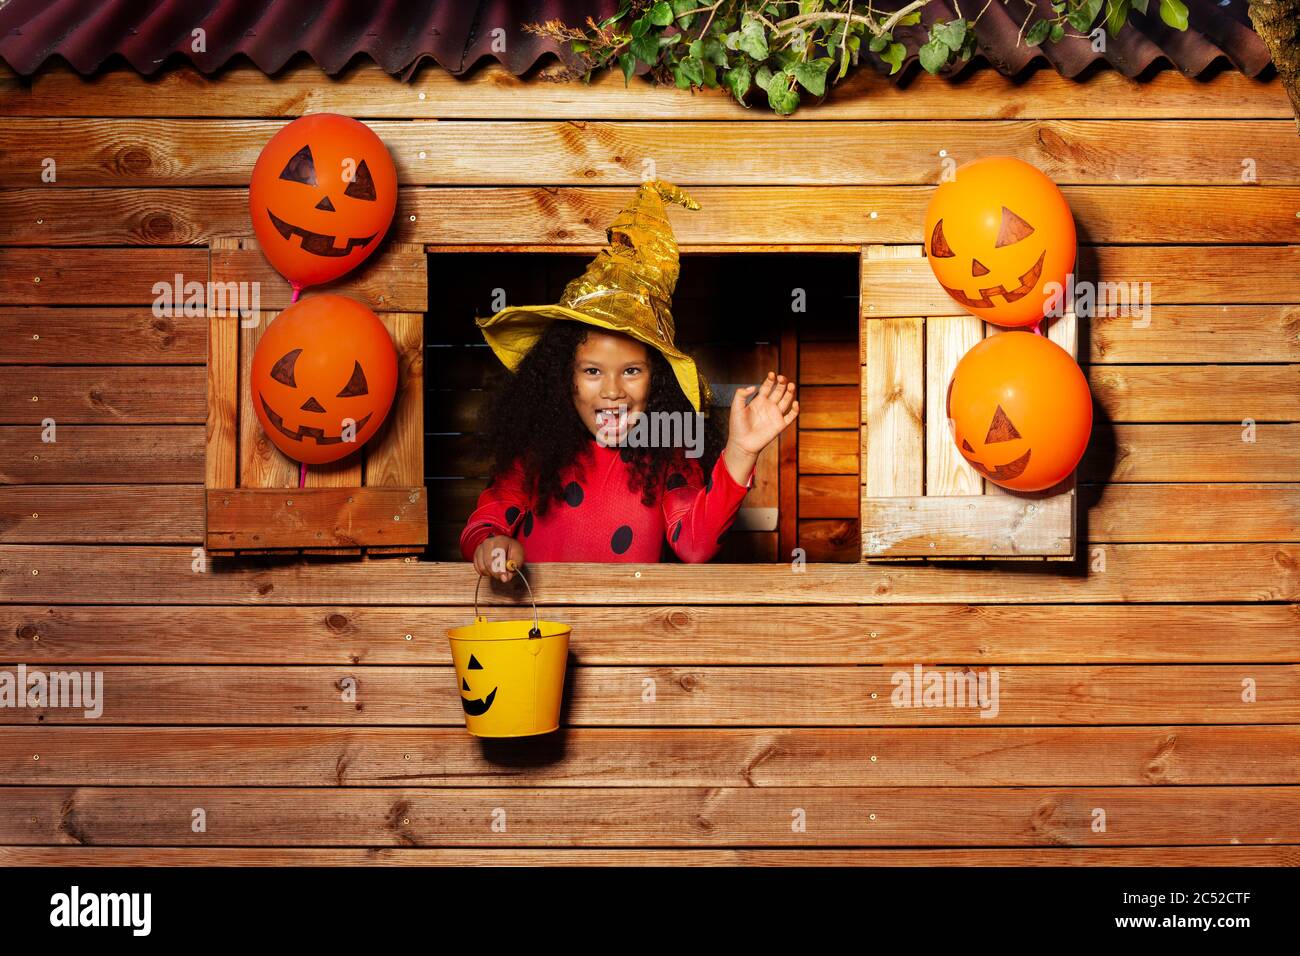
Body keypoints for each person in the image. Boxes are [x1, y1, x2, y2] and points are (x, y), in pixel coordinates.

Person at [459, 180, 798, 581]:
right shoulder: (536, 455)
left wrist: (741, 450)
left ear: (659, 382)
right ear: (561, 378)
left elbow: (695, 545)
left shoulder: (667, 455)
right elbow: (485, 523)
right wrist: (492, 546)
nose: (613, 390)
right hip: (539, 632)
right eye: (592, 371)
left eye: (632, 371)